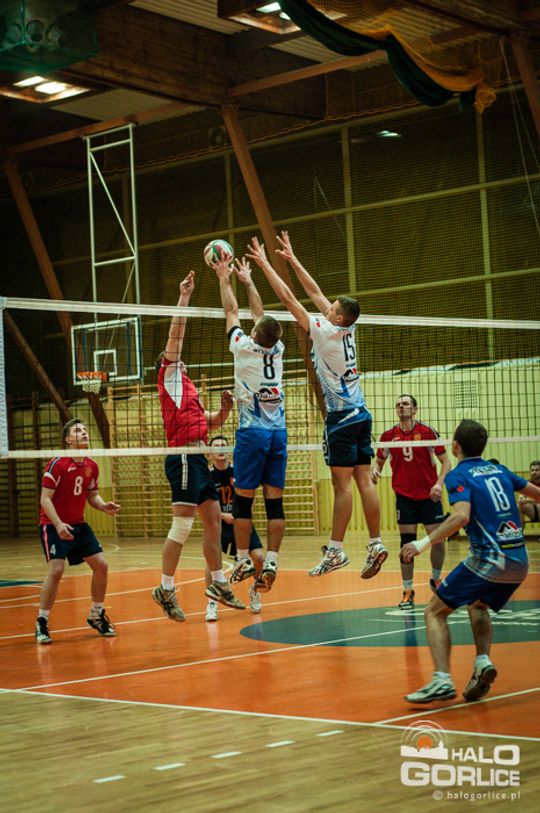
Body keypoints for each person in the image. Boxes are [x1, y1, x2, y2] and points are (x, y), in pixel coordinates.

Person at [245, 230, 387, 579]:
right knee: (364, 481)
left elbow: (290, 298)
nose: (326, 307)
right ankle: (376, 543)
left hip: (341, 418)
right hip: (362, 413)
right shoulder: (348, 328)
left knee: (342, 486)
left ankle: (336, 551)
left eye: (332, 308)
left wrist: (265, 265)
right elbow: (315, 293)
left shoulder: (324, 331)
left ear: (337, 318)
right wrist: (293, 259)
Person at [401, 419, 540, 704]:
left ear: (455, 446)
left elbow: (461, 516)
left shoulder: (458, 475)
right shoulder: (501, 470)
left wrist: (422, 543)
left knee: (434, 612)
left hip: (491, 558)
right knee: (478, 604)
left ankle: (441, 680)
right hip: (520, 560)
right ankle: (482, 663)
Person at [152, 271, 245, 622]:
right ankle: (165, 588)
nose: (180, 357)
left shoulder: (187, 386)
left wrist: (223, 411)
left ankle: (218, 582)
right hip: (182, 457)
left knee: (213, 521)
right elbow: (176, 334)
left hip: (197, 456)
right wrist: (185, 297)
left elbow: (206, 423)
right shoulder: (169, 375)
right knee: (182, 526)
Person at [212, 253, 287, 594]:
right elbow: (261, 315)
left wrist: (224, 278)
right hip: (278, 432)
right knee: (274, 502)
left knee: (243, 502)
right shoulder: (278, 348)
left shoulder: (243, 347)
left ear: (254, 334)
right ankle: (271, 560)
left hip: (252, 433)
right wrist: (250, 281)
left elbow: (231, 311)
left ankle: (242, 558)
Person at [35, 418, 120, 644]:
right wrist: (59, 524)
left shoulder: (91, 465)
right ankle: (42, 621)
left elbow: (92, 496)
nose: (83, 432)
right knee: (56, 570)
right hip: (52, 524)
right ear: (67, 439)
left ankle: (96, 614)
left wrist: (103, 506)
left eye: (84, 429)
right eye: (77, 430)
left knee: (101, 565)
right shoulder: (57, 463)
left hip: (78, 525)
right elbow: (45, 499)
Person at [372, 394, 451, 609]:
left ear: (415, 409)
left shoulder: (427, 432)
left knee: (437, 540)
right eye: (398, 404)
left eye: (405, 404)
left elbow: (446, 462)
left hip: (430, 495)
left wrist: (439, 484)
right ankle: (407, 590)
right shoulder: (388, 436)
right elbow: (378, 462)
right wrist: (375, 471)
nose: (401, 407)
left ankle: (436, 578)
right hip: (404, 498)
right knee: (406, 544)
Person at [204, 435, 264, 621]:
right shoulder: (207, 475)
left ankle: (255, 590)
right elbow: (205, 505)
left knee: (259, 558)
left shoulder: (239, 471)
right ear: (210, 453)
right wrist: (223, 516)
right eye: (216, 446)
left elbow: (250, 496)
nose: (221, 448)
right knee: (211, 562)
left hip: (241, 522)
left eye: (224, 445)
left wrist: (242, 516)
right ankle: (212, 603)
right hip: (218, 524)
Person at [518, 460, 540, 528]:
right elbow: (521, 497)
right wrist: (521, 498)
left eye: (537, 470)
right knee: (518, 506)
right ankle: (520, 531)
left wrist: (527, 500)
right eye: (532, 470)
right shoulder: (527, 483)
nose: (534, 472)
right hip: (533, 510)